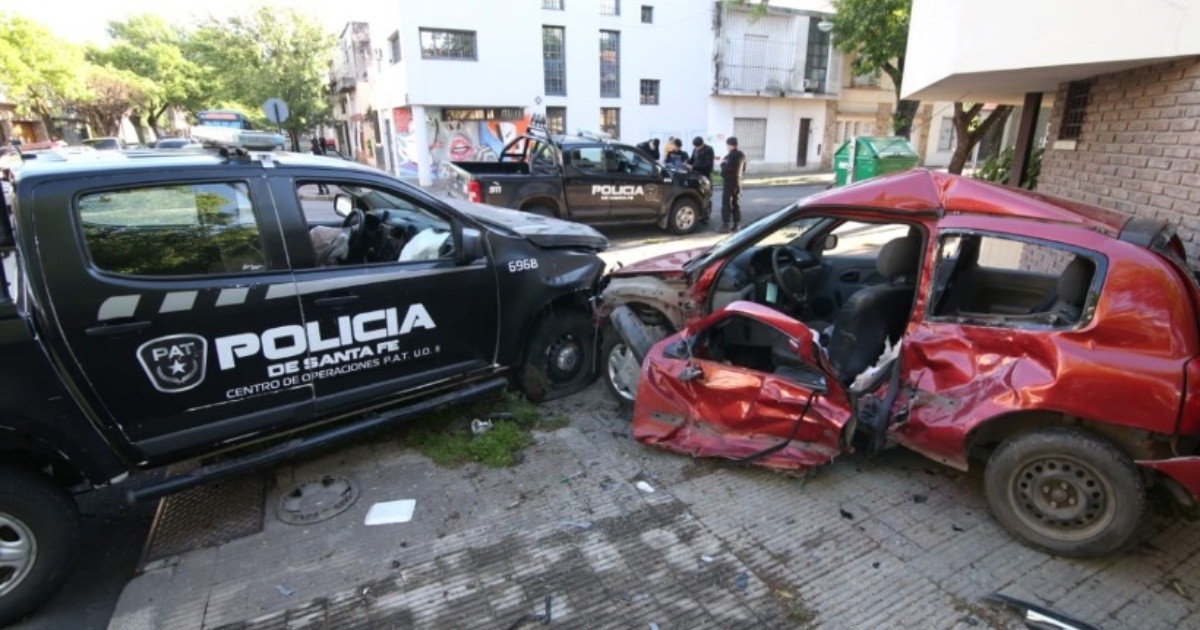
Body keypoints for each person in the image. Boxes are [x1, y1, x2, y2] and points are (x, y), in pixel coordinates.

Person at [719, 136, 746, 233]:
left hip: (729, 182)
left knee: (726, 203)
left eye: (727, 145)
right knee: (736, 203)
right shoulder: (742, 155)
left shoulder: (730, 156)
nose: (727, 147)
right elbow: (744, 168)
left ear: (730, 145)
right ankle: (737, 224)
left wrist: (722, 164)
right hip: (738, 181)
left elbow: (726, 169)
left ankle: (725, 225)